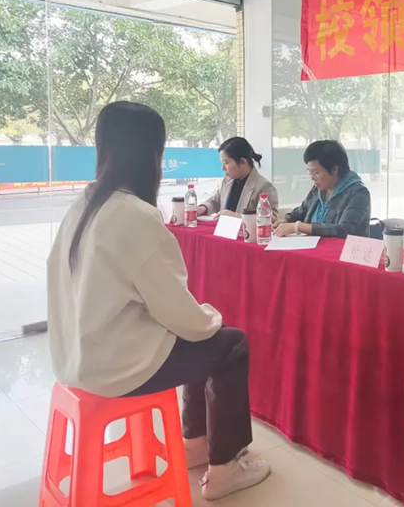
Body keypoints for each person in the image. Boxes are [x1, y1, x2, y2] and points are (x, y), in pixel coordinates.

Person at [47, 102, 271, 501]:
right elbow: (179, 314)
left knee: (205, 339)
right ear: (152, 153)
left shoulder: (84, 205)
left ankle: (195, 443)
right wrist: (211, 318)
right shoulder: (134, 215)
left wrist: (201, 324)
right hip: (116, 365)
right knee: (230, 342)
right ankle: (224, 468)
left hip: (75, 357)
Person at [273, 139, 371, 238]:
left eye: (316, 172)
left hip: (343, 247)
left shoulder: (358, 193)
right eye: (310, 172)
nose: (312, 178)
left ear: (334, 169)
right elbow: (299, 213)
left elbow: (342, 229)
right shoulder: (318, 189)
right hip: (311, 245)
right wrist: (286, 221)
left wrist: (298, 227)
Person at [198, 137, 278, 218]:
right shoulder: (227, 180)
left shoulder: (264, 187)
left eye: (226, 163)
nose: (223, 168)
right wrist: (202, 208)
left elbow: (272, 219)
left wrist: (235, 217)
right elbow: (215, 201)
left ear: (242, 162)